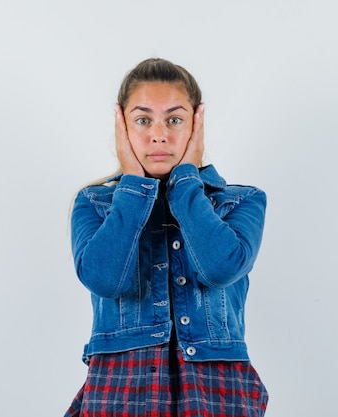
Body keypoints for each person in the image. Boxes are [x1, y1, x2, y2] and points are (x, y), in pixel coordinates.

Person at [64, 58, 269, 416]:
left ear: (197, 125)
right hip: (119, 391)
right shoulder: (94, 202)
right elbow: (104, 279)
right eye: (143, 120)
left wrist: (187, 180)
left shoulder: (242, 201)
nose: (159, 134)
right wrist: (133, 186)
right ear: (121, 126)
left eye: (174, 120)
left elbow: (220, 267)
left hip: (218, 393)